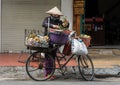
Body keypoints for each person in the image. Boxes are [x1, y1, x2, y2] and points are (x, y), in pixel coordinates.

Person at [42, 6, 69, 79]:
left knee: (53, 57)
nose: (56, 15)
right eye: (55, 14)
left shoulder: (59, 21)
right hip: (47, 40)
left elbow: (64, 27)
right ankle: (47, 74)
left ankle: (51, 74)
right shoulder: (47, 19)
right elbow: (43, 24)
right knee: (48, 57)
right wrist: (53, 26)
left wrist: (66, 23)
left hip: (55, 40)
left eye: (57, 14)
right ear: (52, 14)